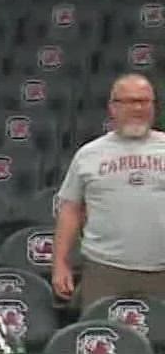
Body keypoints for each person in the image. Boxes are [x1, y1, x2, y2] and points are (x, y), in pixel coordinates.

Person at [54, 73, 165, 306]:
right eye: (129, 101)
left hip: (161, 271)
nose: (137, 108)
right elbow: (71, 210)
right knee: (102, 334)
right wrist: (60, 263)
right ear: (113, 107)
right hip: (104, 271)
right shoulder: (88, 154)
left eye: (144, 101)